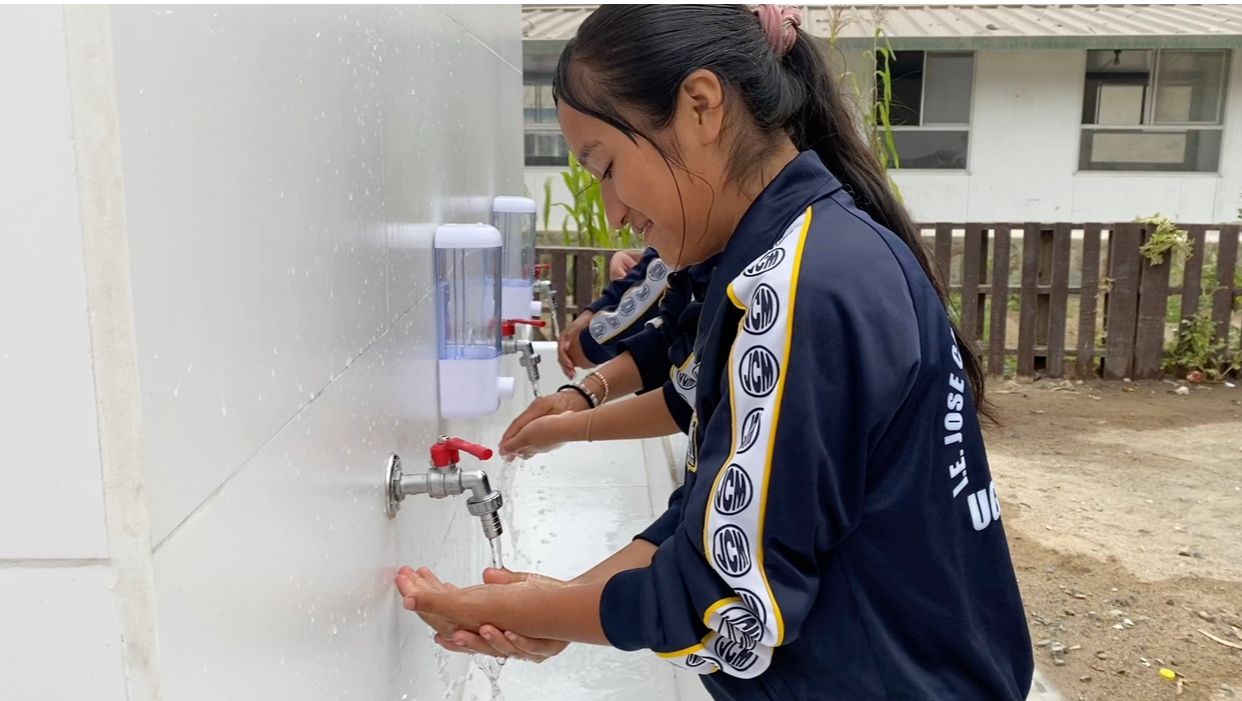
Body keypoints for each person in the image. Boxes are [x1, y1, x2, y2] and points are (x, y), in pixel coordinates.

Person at [397, 6, 1034, 699]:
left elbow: (729, 600)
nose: (611, 211)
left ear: (701, 107)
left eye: (606, 167)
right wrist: (564, 605)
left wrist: (521, 606)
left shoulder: (797, 287)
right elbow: (715, 510)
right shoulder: (808, 253)